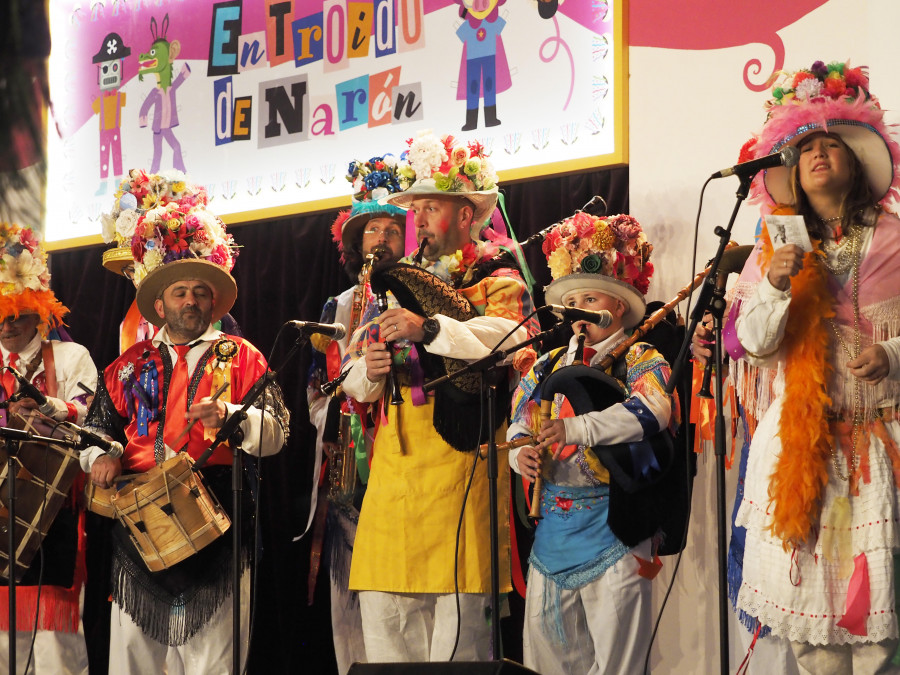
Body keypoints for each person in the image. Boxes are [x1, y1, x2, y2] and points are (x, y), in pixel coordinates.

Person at [340, 131, 539, 662]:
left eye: (431, 206)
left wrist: (427, 328)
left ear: (468, 215)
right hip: (393, 475)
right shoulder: (389, 285)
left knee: (459, 649)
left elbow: (510, 341)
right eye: (416, 208)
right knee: (385, 637)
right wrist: (371, 370)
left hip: (463, 472)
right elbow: (352, 376)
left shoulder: (497, 278)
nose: (419, 218)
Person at [729, 60, 900, 674]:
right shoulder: (776, 242)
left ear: (857, 165)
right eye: (808, 148)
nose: (821, 155)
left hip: (879, 443)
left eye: (835, 145)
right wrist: (774, 285)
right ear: (793, 169)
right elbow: (751, 344)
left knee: (880, 637)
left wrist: (892, 353)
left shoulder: (895, 238)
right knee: (812, 642)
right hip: (799, 445)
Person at [80, 196, 289, 674]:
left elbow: (277, 432)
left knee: (212, 661)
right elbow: (94, 430)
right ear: (158, 304)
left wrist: (232, 417)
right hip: (138, 524)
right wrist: (100, 458)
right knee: (135, 659)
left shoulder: (242, 355)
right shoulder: (125, 366)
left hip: (219, 520)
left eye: (199, 291)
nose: (190, 301)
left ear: (213, 301)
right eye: (179, 292)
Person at [506, 212, 676, 675]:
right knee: (547, 664)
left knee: (619, 666)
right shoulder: (544, 366)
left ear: (618, 306)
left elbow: (655, 411)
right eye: (572, 300)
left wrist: (576, 429)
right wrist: (522, 454)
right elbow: (517, 423)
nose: (578, 310)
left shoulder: (642, 357)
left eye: (590, 299)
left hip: (616, 527)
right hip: (553, 531)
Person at [305, 155, 407, 675]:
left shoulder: (421, 294)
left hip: (408, 451)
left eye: (394, 229)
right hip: (351, 460)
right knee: (351, 604)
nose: (383, 239)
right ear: (355, 241)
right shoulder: (336, 306)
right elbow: (314, 392)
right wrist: (334, 424)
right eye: (374, 230)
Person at [0, 222, 97, 674]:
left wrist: (46, 407)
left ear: (37, 312)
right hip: (1, 510)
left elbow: (88, 420)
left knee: (56, 648)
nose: (6, 326)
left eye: (14, 315)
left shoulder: (72, 356)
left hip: (54, 511)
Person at [100, 168, 241, 352]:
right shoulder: (129, 325)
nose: (136, 279)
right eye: (130, 271)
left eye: (140, 268)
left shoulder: (205, 315)